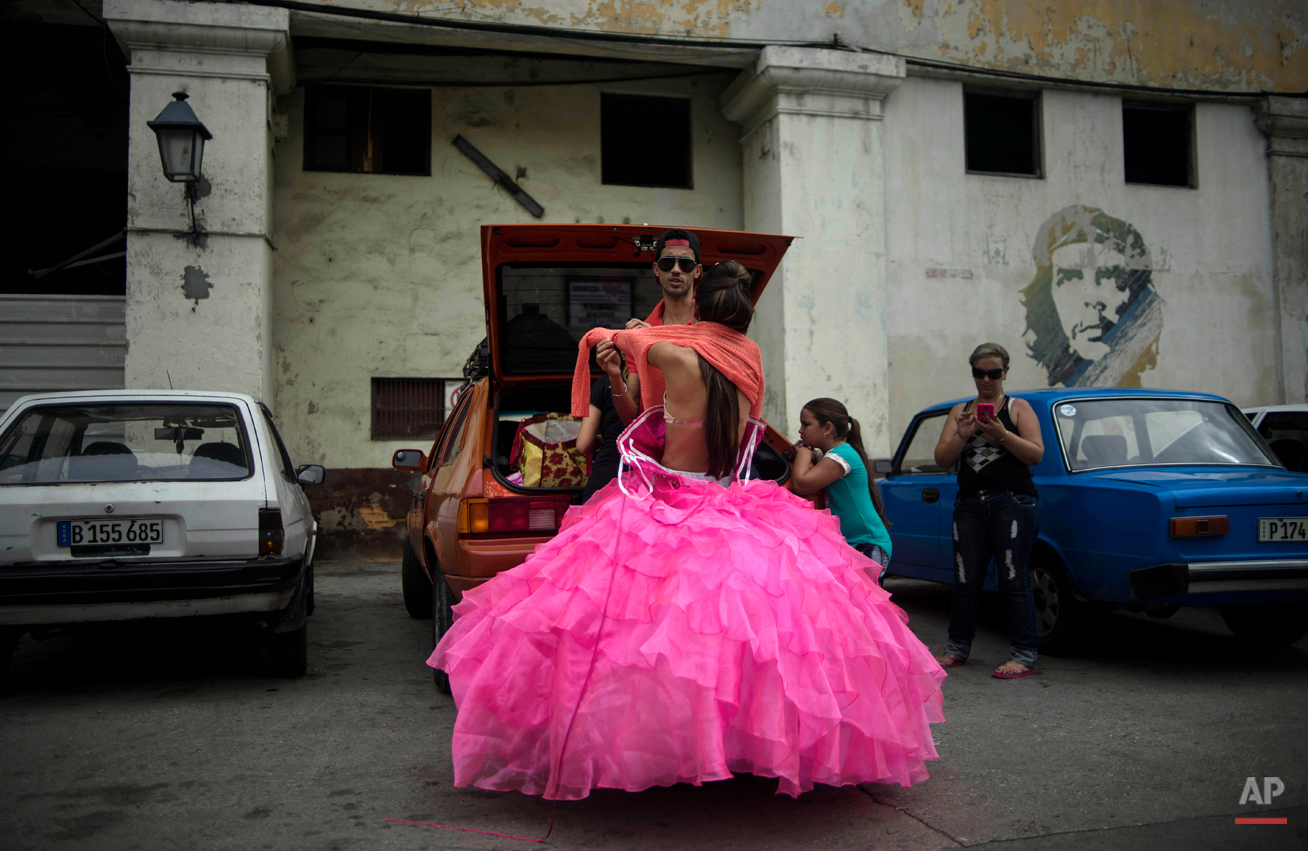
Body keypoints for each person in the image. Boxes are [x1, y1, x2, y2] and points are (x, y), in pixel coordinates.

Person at [429, 261, 945, 801]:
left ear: (698, 309)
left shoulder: (672, 353)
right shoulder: (751, 359)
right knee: (745, 638)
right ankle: (737, 744)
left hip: (669, 501)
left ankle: (659, 743)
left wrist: (631, 341)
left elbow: (605, 336)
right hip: (732, 502)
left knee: (643, 635)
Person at [932, 343, 1045, 679]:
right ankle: (957, 648)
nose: (986, 379)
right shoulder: (960, 411)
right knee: (966, 577)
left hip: (1012, 500)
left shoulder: (1018, 408)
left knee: (1012, 576)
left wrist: (1002, 433)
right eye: (979, 373)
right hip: (970, 501)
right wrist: (963, 435)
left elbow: (1036, 454)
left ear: (1005, 373)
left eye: (993, 373)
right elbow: (942, 458)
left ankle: (1024, 653)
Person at [1019, 205, 1163, 388]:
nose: (1090, 295)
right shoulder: (1045, 409)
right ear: (1049, 297)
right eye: (1071, 277)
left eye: (1108, 275)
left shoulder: (1152, 410)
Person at [790, 398, 894, 587]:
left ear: (827, 427)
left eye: (806, 424)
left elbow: (801, 484)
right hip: (851, 544)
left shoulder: (842, 456)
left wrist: (803, 452)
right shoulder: (831, 456)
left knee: (865, 607)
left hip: (866, 543)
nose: (800, 430)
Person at [575, 351, 627, 501]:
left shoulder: (605, 383)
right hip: (649, 476)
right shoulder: (661, 384)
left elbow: (583, 445)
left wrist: (600, 441)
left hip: (608, 474)